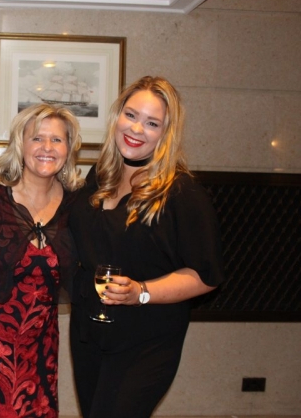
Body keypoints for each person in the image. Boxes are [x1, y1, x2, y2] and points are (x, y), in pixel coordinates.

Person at [68, 76, 226, 418]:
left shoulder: (181, 192)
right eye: (131, 115)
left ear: (166, 133)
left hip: (145, 339)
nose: (137, 129)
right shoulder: (99, 176)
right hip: (89, 330)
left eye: (152, 123)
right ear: (117, 116)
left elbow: (206, 276)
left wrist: (140, 292)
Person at [0, 103, 84, 417]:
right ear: (21, 144)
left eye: (57, 139)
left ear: (69, 149)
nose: (47, 147)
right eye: (37, 138)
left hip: (40, 349)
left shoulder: (78, 207)